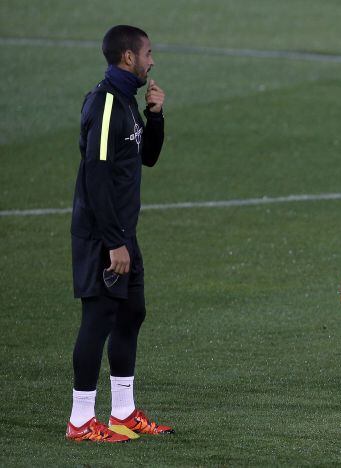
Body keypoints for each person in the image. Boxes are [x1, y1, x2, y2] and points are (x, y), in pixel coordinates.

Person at [66, 25, 173, 442]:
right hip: (102, 236)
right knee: (98, 320)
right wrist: (113, 242)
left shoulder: (128, 102)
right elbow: (96, 175)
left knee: (131, 313)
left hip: (123, 233)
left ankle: (123, 413)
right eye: (148, 53)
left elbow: (147, 158)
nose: (152, 60)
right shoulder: (105, 103)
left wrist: (157, 116)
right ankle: (80, 421)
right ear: (128, 57)